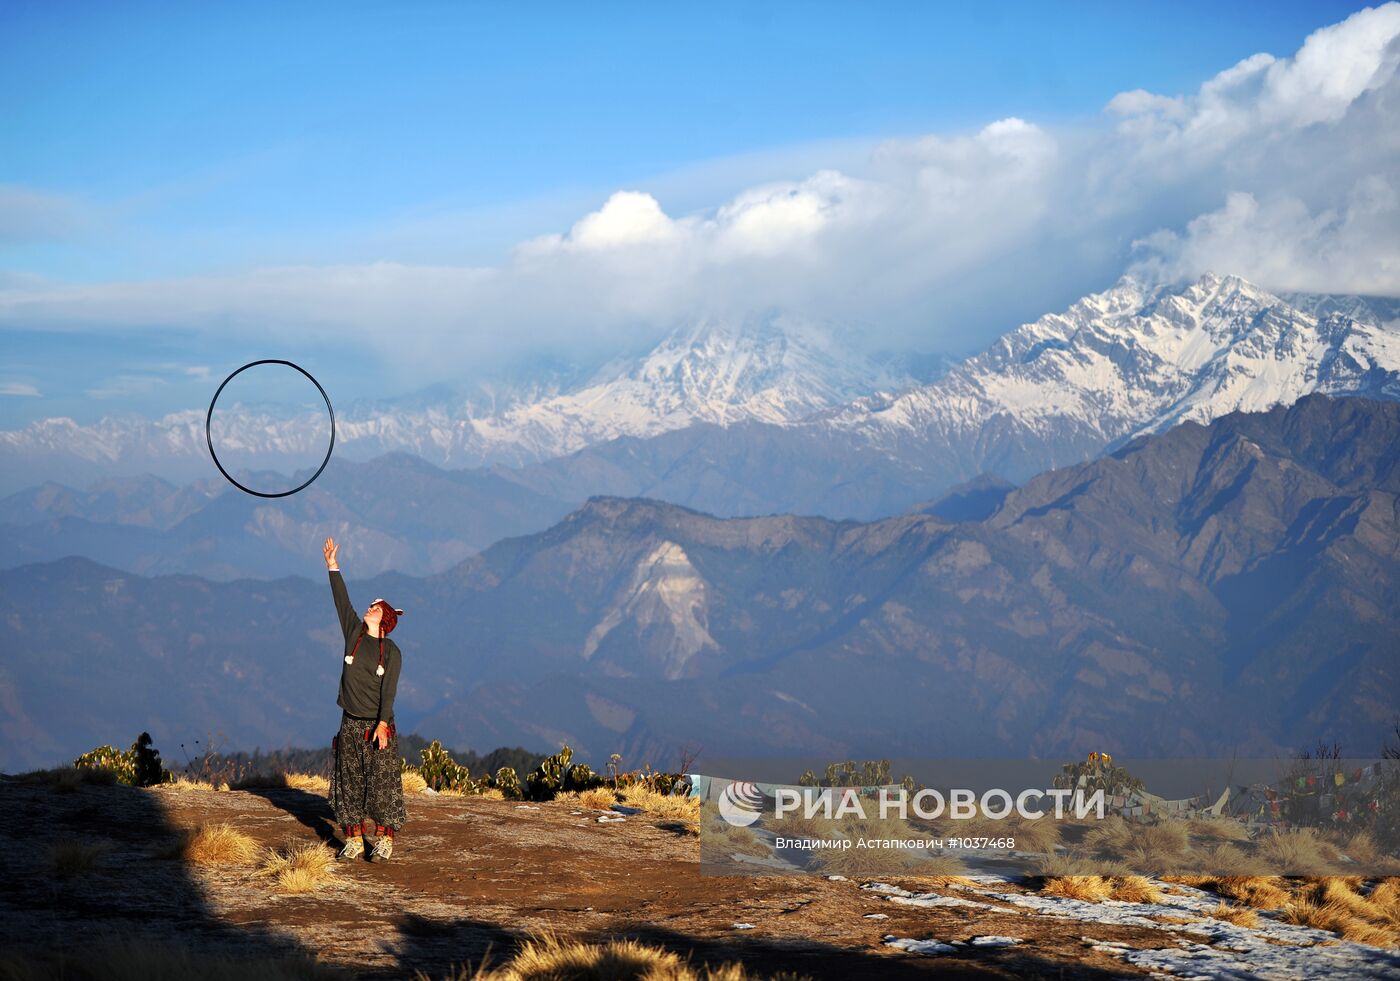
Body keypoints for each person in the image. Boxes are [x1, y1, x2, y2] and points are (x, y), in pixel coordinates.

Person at [322, 536, 407, 862]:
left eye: (376, 608)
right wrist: (332, 566)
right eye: (371, 606)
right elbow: (341, 601)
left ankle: (384, 839)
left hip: (376, 726)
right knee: (350, 782)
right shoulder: (354, 634)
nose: (369, 608)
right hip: (350, 722)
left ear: (384, 619)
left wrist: (383, 724)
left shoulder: (392, 652)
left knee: (382, 784)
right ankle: (354, 838)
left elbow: (390, 691)